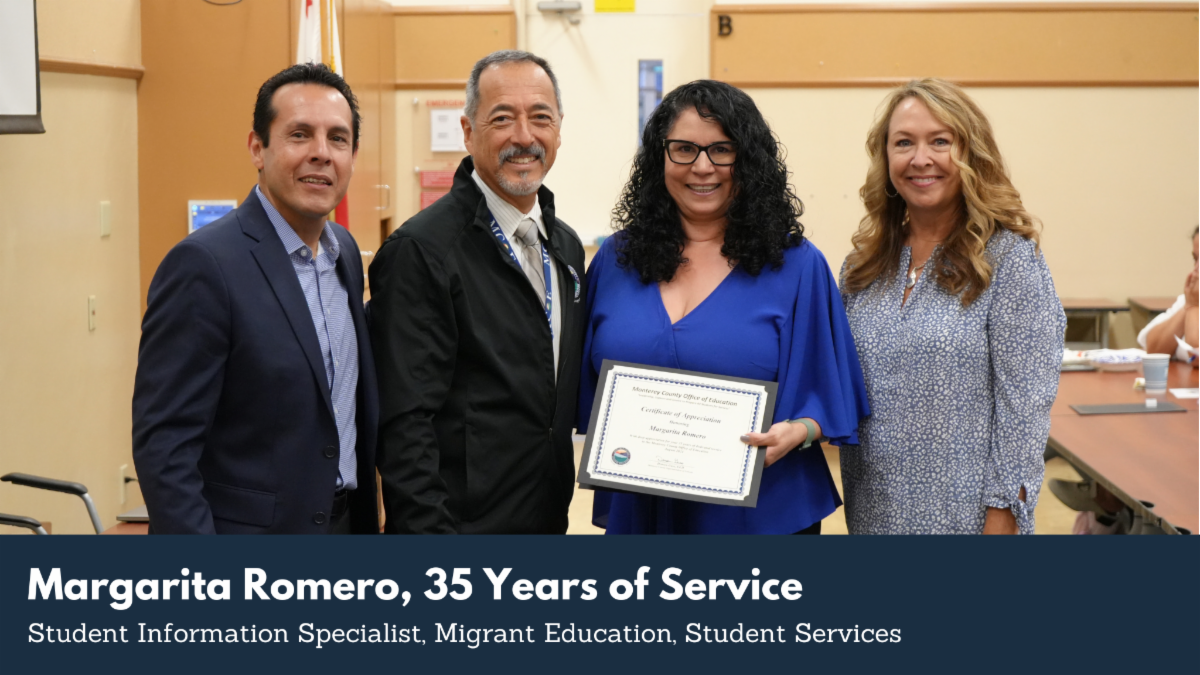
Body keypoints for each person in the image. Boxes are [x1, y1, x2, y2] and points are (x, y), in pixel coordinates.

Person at [578, 80, 871, 535]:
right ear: (659, 157)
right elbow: (582, 385)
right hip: (643, 507)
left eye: (722, 150)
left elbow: (829, 390)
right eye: (683, 149)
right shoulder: (616, 261)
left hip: (761, 516)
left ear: (748, 160)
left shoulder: (796, 265)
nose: (702, 167)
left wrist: (801, 431)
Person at [132, 63, 378, 534]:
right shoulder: (204, 265)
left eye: (338, 138)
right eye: (300, 135)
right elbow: (165, 445)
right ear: (257, 149)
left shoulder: (343, 251)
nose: (321, 154)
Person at [369, 51, 586, 534]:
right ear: (468, 132)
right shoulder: (422, 251)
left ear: (559, 129)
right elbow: (405, 425)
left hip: (546, 522)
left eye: (540, 118)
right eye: (502, 118)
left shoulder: (566, 247)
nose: (524, 137)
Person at [839, 78, 1065, 535]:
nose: (921, 158)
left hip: (967, 524)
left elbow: (1023, 410)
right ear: (886, 158)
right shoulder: (862, 268)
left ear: (971, 153)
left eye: (940, 141)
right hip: (872, 516)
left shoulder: (1009, 261)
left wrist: (1002, 519)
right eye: (904, 142)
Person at [1137, 226, 1199, 366]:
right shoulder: (1191, 298)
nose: (1196, 269)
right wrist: (1189, 305)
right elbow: (1153, 349)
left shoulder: (1194, 301)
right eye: (1195, 259)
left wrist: (1194, 306)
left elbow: (1196, 358)